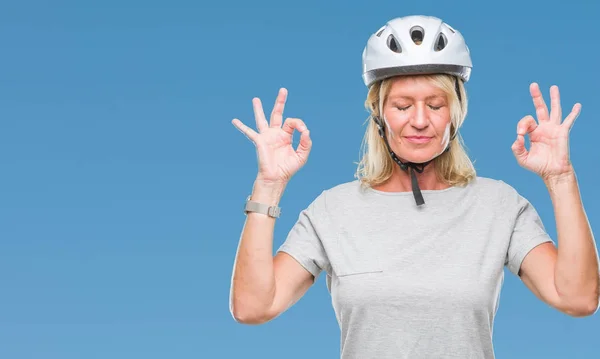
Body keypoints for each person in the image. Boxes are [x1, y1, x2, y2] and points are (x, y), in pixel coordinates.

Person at [229, 15, 599, 359]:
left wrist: (561, 178)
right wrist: (268, 184)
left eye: (435, 104)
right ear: (378, 112)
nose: (420, 121)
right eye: (403, 106)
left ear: (456, 112)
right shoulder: (332, 210)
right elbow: (252, 307)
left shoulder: (499, 205)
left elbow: (578, 298)